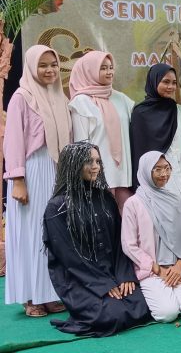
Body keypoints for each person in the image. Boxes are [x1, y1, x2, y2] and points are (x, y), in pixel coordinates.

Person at [43, 142, 150, 336]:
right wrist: (103, 284)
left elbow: (119, 241)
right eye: (89, 162)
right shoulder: (57, 207)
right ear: (73, 164)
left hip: (113, 274)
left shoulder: (105, 198)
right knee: (113, 316)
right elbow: (69, 257)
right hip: (81, 280)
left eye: (98, 161)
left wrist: (124, 276)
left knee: (143, 306)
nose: (95, 167)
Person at [4, 45, 71, 317]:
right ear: (32, 67)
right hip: (31, 171)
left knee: (52, 233)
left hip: (56, 171)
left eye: (53, 65)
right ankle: (31, 297)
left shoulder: (59, 97)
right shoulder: (22, 97)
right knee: (31, 234)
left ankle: (50, 293)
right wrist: (18, 179)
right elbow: (13, 141)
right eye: (43, 65)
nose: (49, 70)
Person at [121, 151, 181, 323]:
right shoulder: (133, 204)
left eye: (167, 168)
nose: (164, 174)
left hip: (177, 266)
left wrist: (180, 264)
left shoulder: (174, 199)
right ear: (146, 171)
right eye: (157, 169)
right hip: (152, 269)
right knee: (167, 313)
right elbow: (129, 244)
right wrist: (156, 269)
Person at [130, 63, 181, 228]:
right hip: (158, 170)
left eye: (174, 83)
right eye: (165, 82)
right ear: (154, 82)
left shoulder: (179, 110)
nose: (171, 87)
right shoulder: (140, 113)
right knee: (165, 219)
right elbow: (138, 149)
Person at [69, 51, 135, 212]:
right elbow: (81, 144)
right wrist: (88, 175)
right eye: (103, 68)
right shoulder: (81, 102)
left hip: (123, 176)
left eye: (111, 67)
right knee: (103, 219)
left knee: (126, 219)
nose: (109, 72)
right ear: (89, 71)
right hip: (97, 176)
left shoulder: (122, 99)